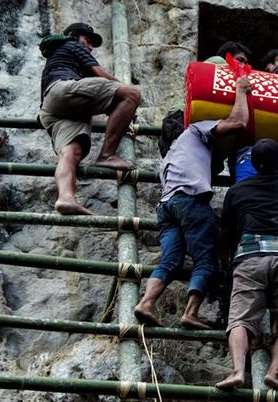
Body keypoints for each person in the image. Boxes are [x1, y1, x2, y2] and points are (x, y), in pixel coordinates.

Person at [134, 76, 251, 329]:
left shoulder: (169, 154)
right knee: (206, 259)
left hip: (166, 207)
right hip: (190, 202)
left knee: (170, 260)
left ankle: (147, 302)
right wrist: (241, 91)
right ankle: (191, 312)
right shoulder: (195, 130)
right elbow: (239, 122)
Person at [218, 133, 278, 391]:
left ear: (254, 163)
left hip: (249, 257)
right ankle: (274, 371)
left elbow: (226, 232)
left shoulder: (237, 191)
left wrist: (226, 259)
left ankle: (238, 371)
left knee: (240, 319)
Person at [38, 22, 141, 216]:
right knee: (132, 95)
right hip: (63, 90)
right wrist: (127, 97)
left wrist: (118, 114)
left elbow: (90, 101)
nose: (91, 47)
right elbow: (101, 75)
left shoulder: (56, 59)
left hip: (52, 109)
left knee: (71, 152)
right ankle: (107, 155)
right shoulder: (71, 44)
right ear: (75, 36)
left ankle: (66, 198)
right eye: (88, 40)